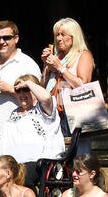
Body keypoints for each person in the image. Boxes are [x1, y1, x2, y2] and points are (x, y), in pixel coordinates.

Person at [0, 75, 64, 187]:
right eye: (18, 90)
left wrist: (28, 83)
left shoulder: (43, 109)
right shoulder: (13, 114)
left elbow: (46, 98)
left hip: (39, 163)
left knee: (23, 179)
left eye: (26, 90)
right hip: (10, 164)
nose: (22, 94)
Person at [41, 17, 97, 147]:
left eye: (63, 35)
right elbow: (42, 87)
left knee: (77, 156)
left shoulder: (83, 55)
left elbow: (83, 85)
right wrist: (46, 66)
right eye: (57, 35)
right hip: (54, 113)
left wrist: (60, 68)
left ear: (74, 37)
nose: (58, 38)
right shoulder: (58, 57)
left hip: (74, 114)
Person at [0, 20, 41, 138]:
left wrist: (11, 89)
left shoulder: (27, 64)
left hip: (16, 131)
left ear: (16, 39)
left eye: (6, 37)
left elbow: (37, 99)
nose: (1, 42)